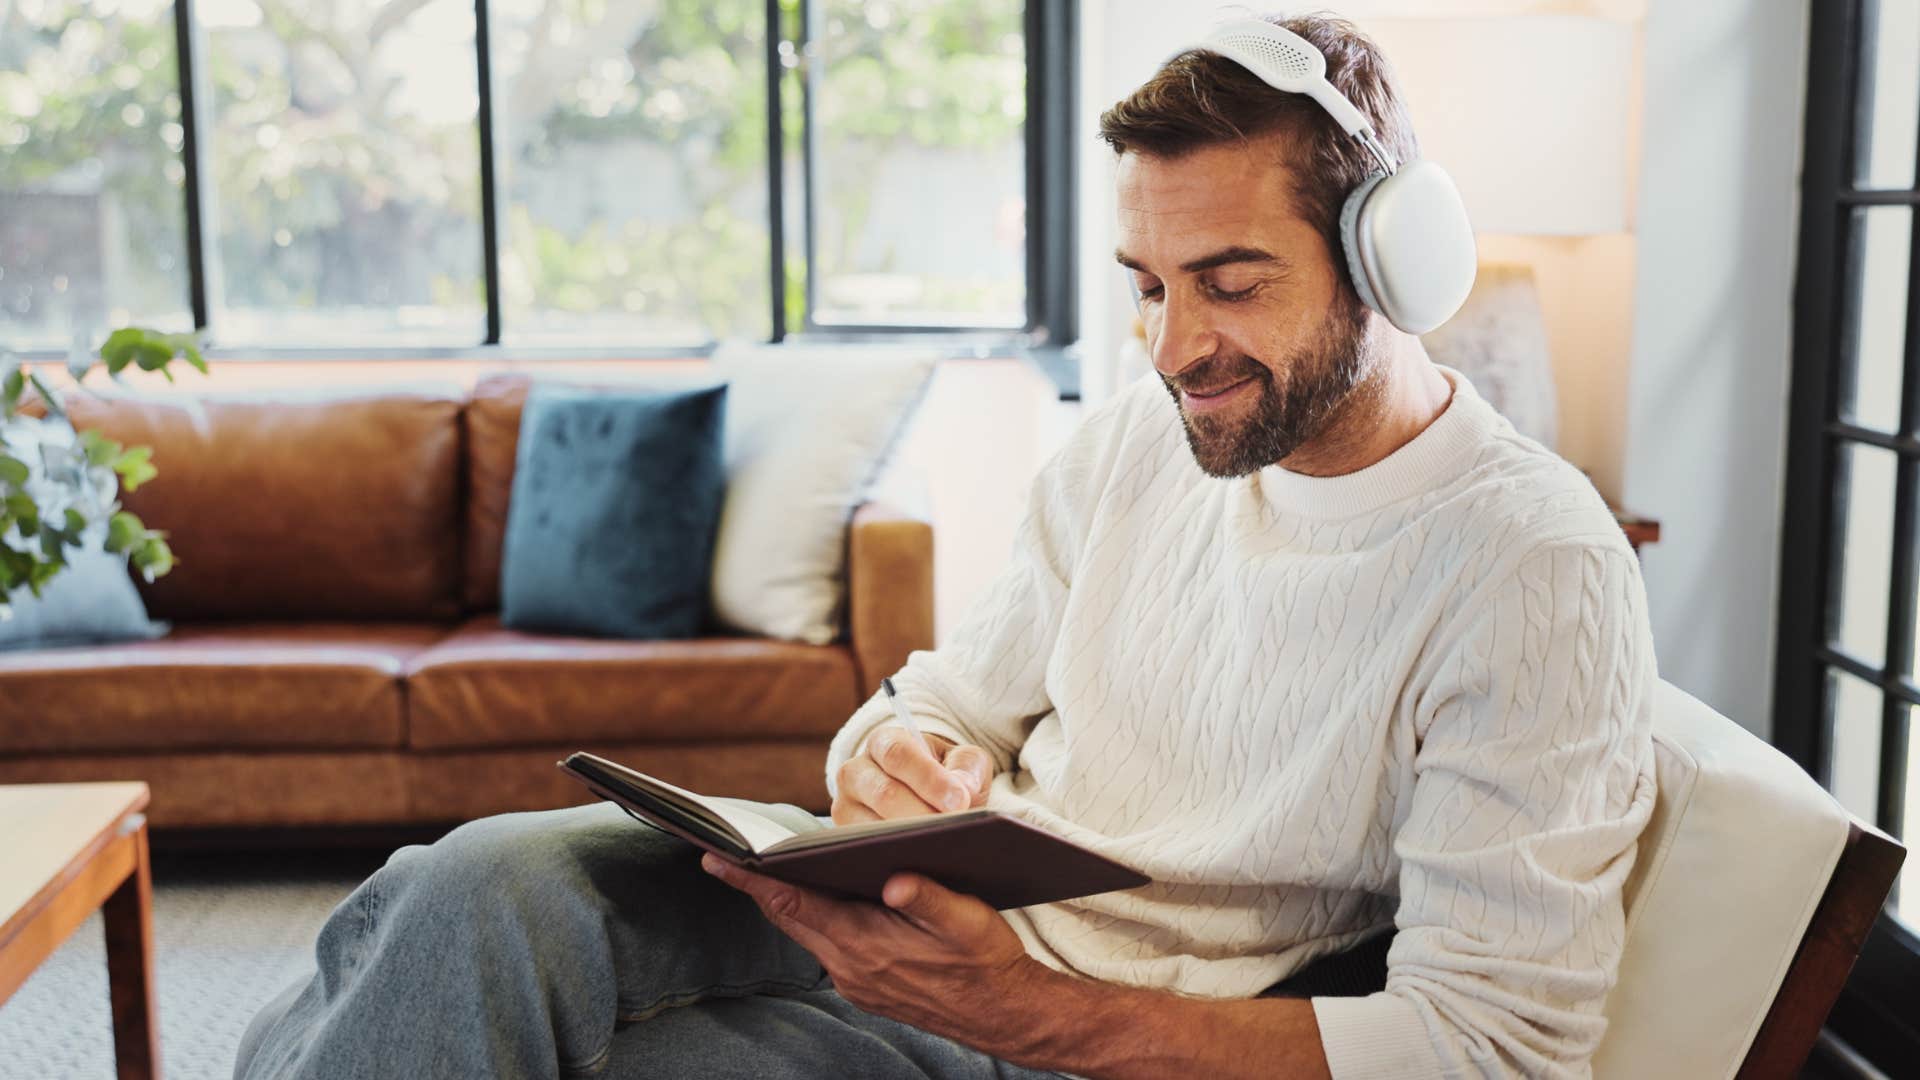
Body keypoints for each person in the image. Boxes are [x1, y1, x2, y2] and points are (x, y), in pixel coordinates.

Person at [235, 13, 1656, 1079]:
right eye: (1147, 287)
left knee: (492, 1032)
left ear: (1392, 263)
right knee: (464, 888)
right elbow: (937, 703)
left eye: (1230, 284)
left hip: (1077, 1036)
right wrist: (892, 756)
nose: (1174, 349)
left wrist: (1020, 1010)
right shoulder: (1130, 445)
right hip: (939, 920)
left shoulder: (1531, 567)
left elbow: (1494, 1046)